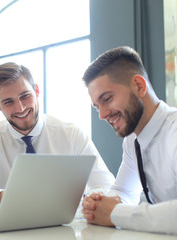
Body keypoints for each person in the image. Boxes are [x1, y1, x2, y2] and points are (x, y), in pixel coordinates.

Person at [0, 62, 115, 210]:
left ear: (36, 91)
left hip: (69, 225)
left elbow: (104, 183)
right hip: (12, 226)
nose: (20, 108)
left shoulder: (71, 134)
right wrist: (7, 197)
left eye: (25, 96)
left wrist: (90, 200)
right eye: (8, 102)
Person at [81, 46, 177, 235]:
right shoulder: (133, 141)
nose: (101, 115)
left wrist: (116, 213)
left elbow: (118, 210)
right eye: (96, 106)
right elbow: (124, 192)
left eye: (107, 98)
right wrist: (99, 204)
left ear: (139, 86)